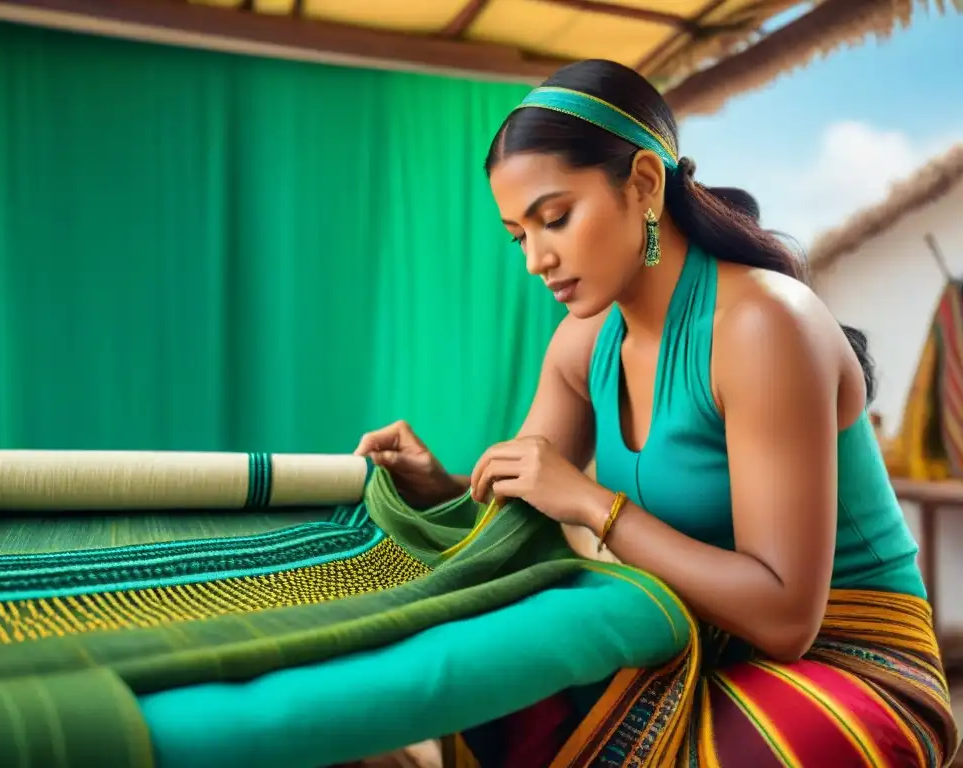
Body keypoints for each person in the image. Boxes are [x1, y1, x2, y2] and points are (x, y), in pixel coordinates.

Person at [354, 59, 959, 767]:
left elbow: (786, 618)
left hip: (850, 657)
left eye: (555, 218)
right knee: (493, 691)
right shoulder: (584, 342)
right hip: (688, 638)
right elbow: (523, 513)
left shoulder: (763, 326)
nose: (536, 261)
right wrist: (447, 489)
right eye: (520, 235)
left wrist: (590, 502)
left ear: (643, 184)